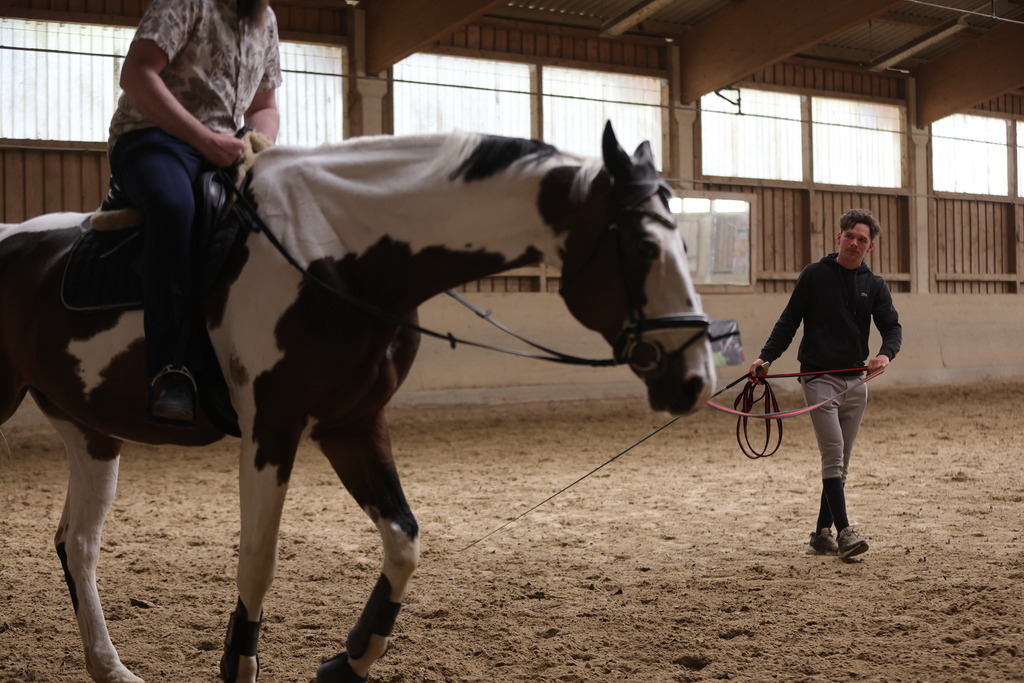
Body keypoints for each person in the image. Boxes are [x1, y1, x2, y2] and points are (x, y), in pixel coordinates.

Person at [108, 0, 282, 423]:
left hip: (224, 148)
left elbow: (264, 105)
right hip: (152, 138)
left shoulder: (266, 19)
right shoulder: (185, 2)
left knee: (277, 216)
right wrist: (205, 140)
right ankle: (170, 369)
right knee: (173, 208)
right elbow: (137, 74)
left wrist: (255, 140)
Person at [749, 208, 902, 559]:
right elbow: (789, 321)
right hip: (818, 378)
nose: (854, 243)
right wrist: (766, 357)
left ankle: (821, 533)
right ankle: (846, 532)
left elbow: (892, 327)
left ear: (870, 247)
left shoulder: (874, 285)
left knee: (841, 462)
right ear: (839, 237)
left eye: (862, 239)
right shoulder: (814, 275)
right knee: (833, 454)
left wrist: (885, 354)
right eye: (849, 236)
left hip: (855, 382)